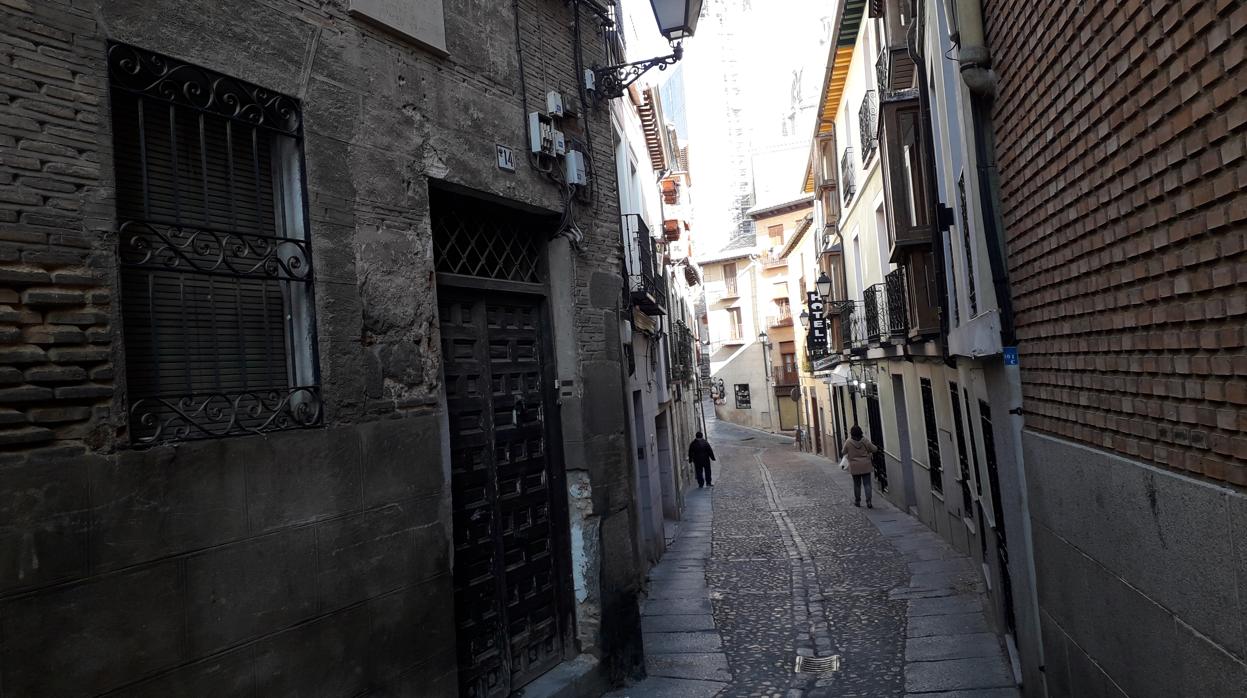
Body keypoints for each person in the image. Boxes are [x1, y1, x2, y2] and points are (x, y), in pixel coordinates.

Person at [842, 425, 879, 508]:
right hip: (865, 465)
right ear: (860, 432)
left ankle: (857, 501)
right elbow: (874, 449)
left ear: (851, 433)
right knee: (867, 484)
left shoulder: (848, 442)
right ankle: (869, 501)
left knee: (857, 485)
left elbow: (843, 451)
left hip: (855, 466)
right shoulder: (865, 441)